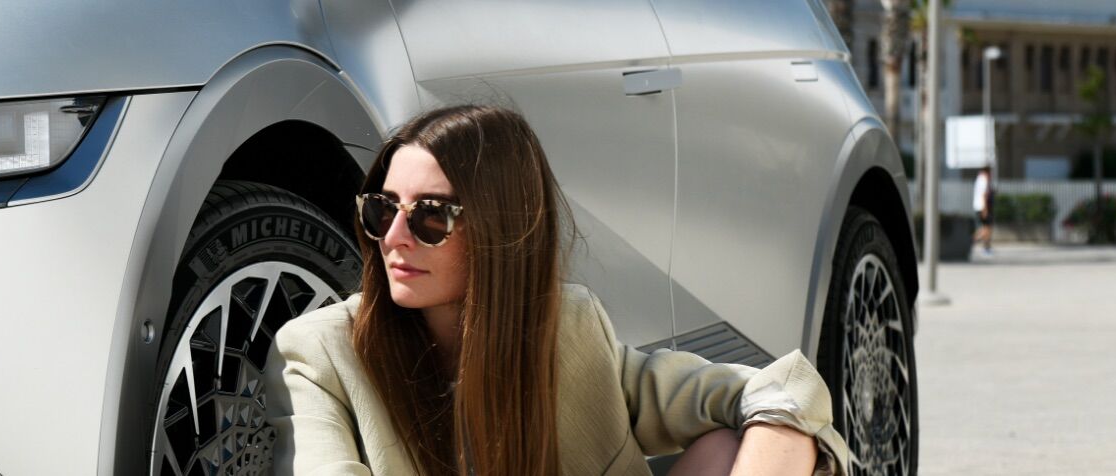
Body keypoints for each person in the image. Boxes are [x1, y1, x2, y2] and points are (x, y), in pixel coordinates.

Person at [263, 105, 850, 475]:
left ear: (501, 230)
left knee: (739, 444)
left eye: (431, 217)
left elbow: (783, 390)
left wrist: (773, 444)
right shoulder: (323, 353)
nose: (393, 236)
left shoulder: (565, 327)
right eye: (383, 208)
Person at [973, 166, 994, 257]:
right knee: (987, 229)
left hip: (978, 206)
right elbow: (984, 195)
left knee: (984, 228)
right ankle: (986, 248)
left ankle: (986, 247)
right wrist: (985, 209)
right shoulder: (984, 180)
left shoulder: (978, 179)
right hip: (983, 207)